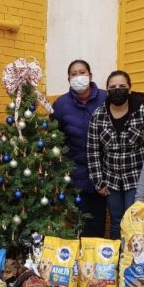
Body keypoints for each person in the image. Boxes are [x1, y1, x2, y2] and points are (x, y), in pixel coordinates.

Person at [87, 71, 144, 239]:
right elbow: (93, 149)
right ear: (107, 90)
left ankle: (134, 261)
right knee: (116, 220)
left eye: (122, 87)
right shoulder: (98, 115)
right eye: (112, 87)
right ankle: (116, 259)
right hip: (111, 180)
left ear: (129, 88)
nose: (117, 90)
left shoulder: (143, 111)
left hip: (137, 178)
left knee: (134, 218)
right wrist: (98, 181)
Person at [51, 60, 108, 238]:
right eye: (73, 74)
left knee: (99, 220)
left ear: (90, 75)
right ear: (68, 78)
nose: (78, 77)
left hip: (103, 172)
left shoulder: (106, 98)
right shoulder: (61, 104)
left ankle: (98, 261)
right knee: (79, 222)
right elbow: (54, 138)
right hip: (75, 173)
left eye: (81, 72)